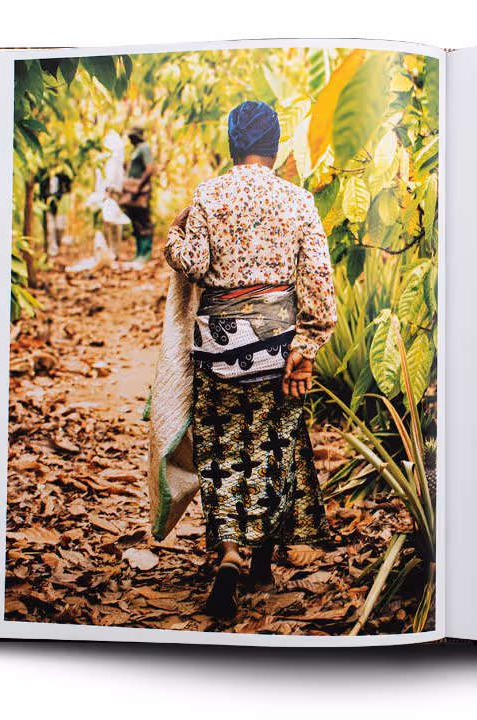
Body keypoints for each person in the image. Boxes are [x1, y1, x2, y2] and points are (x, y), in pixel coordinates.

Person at [163, 101, 338, 618]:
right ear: (276, 147)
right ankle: (261, 561)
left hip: (218, 346)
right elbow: (319, 283)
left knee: (222, 449)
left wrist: (174, 238)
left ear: (233, 145)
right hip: (276, 346)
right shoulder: (298, 201)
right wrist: (306, 348)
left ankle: (230, 553)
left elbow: (194, 264)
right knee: (272, 446)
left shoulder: (208, 195)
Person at [122, 126, 156, 262]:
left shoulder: (144, 148)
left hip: (141, 191)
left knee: (143, 220)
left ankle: (145, 252)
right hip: (131, 191)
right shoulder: (135, 150)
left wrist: (139, 186)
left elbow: (150, 168)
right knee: (135, 221)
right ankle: (139, 252)